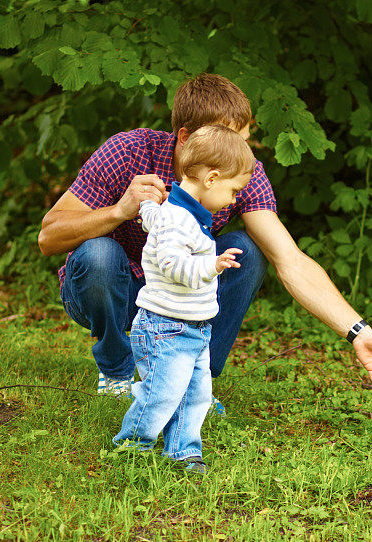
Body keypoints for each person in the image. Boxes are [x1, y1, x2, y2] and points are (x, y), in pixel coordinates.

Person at [38, 73, 372, 399]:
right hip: (114, 292)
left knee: (246, 250)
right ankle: (117, 367)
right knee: (98, 253)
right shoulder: (129, 150)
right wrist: (120, 211)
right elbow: (48, 238)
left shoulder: (239, 172)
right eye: (231, 141)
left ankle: (192, 379)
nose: (243, 154)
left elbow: (290, 260)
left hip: (181, 293)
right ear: (185, 137)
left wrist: (358, 332)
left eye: (245, 141)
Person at [113, 125, 252, 473]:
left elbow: (152, 221)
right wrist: (212, 265)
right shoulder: (180, 219)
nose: (234, 200)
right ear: (211, 179)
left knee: (195, 396)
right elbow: (172, 264)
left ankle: (183, 450)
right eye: (233, 190)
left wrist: (146, 207)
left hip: (193, 327)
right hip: (166, 327)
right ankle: (131, 445)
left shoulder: (179, 211)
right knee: (161, 393)